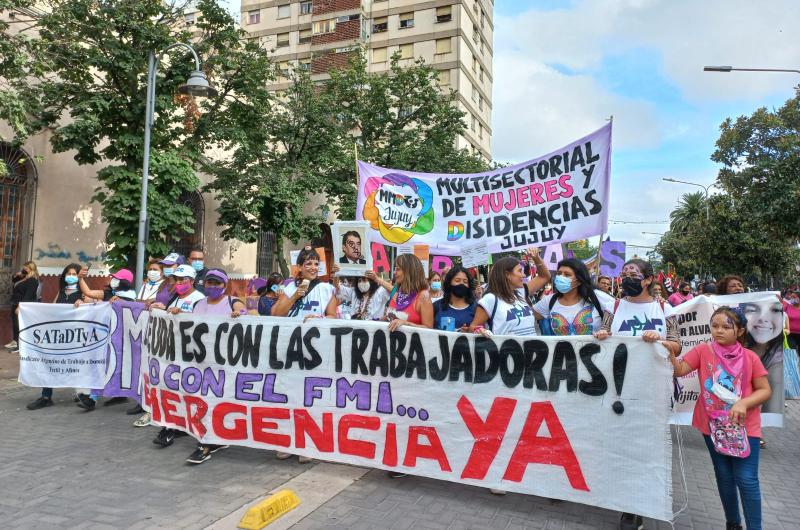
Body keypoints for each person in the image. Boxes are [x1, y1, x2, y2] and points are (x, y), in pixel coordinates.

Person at [593, 258, 681, 530]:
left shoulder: (665, 309)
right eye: (624, 273)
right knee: (622, 447)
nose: (626, 277)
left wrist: (661, 341)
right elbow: (604, 335)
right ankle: (627, 505)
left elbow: (677, 347)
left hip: (654, 391)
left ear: (647, 280)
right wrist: (601, 336)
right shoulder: (614, 306)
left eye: (633, 273)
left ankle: (640, 505)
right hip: (621, 389)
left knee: (646, 450)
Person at [668, 307, 771, 530]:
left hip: (745, 428)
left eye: (726, 326)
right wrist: (669, 352)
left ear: (741, 330)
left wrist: (743, 403)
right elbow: (680, 370)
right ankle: (733, 523)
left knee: (746, 478)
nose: (719, 331)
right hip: (713, 427)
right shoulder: (703, 350)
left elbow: (765, 390)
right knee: (724, 475)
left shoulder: (751, 357)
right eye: (714, 326)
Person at [184, 268, 244, 464]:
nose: (212, 286)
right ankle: (213, 439)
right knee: (203, 400)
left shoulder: (230, 302)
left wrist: (238, 313)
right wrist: (175, 313)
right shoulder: (198, 304)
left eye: (217, 283)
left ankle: (206, 443)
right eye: (209, 283)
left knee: (215, 400)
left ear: (224, 285)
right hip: (201, 363)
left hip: (224, 364)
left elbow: (245, 312)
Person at [148, 264, 205, 448]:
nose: (179, 283)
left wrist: (184, 315)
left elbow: (203, 324)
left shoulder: (199, 299)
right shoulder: (175, 297)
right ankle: (172, 425)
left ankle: (176, 427)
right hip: (172, 351)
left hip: (190, 353)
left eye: (183, 280)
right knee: (172, 389)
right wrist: (162, 309)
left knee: (186, 390)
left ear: (192, 281)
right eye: (177, 279)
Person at [73, 267, 137, 411]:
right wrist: (81, 279)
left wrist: (120, 302)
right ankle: (92, 398)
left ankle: (110, 395)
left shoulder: (129, 296)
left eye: (116, 278)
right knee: (103, 366)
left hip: (120, 338)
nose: (112, 280)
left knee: (113, 367)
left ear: (124, 282)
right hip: (104, 337)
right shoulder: (109, 293)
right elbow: (88, 293)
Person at [26, 263, 82, 410]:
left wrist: (84, 303)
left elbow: (94, 307)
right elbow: (52, 309)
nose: (71, 277)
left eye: (74, 274)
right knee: (50, 363)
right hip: (58, 335)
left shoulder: (84, 293)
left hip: (76, 337)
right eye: (68, 274)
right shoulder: (61, 291)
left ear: (79, 277)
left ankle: (83, 393)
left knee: (79, 364)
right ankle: (46, 396)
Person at [533, 259, 611, 336]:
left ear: (579, 280)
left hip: (594, 348)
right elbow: (527, 317)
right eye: (559, 273)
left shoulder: (595, 296)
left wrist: (605, 328)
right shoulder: (550, 300)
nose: (561, 277)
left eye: (567, 275)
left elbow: (617, 308)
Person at [738, 298, 784, 418]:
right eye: (752, 310)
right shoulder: (732, 349)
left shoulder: (777, 362)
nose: (763, 318)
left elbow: (772, 410)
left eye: (775, 310)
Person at [469, 256, 537, 337]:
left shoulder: (520, 294)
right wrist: (479, 331)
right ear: (507, 274)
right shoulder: (490, 299)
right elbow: (473, 328)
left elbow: (545, 277)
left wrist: (536, 257)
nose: (524, 275)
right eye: (520, 271)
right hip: (505, 349)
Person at [272, 246, 337, 320]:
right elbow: (277, 315)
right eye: (309, 264)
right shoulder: (291, 287)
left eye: (316, 264)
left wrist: (319, 318)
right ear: (299, 267)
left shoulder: (327, 289)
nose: (313, 268)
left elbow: (333, 316)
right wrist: (295, 296)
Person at [6, 261, 39, 352]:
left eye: (26, 268)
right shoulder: (24, 278)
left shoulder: (32, 280)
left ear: (31, 269)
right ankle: (15, 341)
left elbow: (28, 295)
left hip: (23, 305)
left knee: (20, 325)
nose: (24, 269)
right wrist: (18, 275)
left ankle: (20, 346)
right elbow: (14, 280)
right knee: (15, 324)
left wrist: (20, 306)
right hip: (15, 303)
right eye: (24, 267)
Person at [433, 266, 477, 331]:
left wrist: (471, 331)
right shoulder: (436, 306)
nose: (461, 284)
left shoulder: (476, 308)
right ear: (449, 283)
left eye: (465, 281)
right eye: (457, 280)